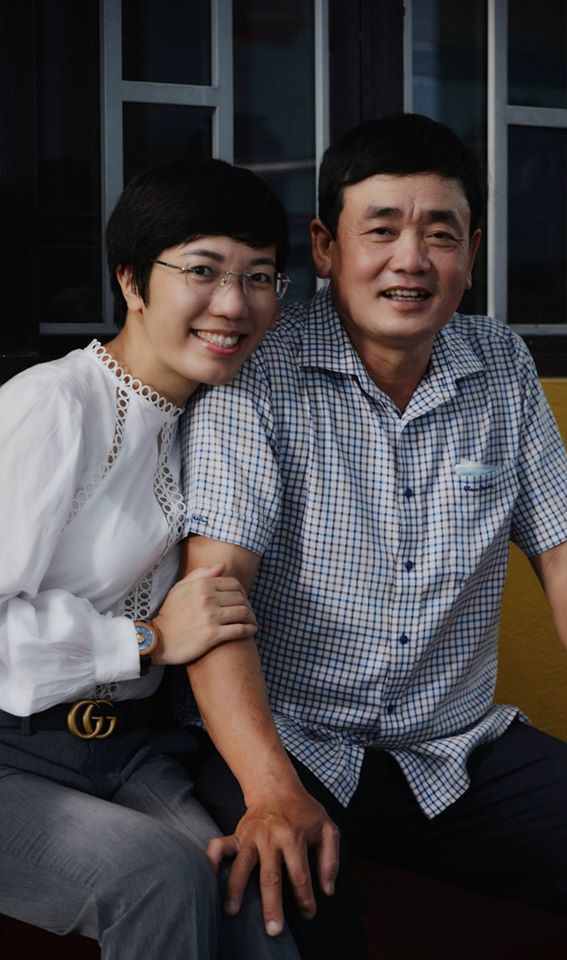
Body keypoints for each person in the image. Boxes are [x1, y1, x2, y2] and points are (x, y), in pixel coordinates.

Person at [179, 114, 567, 958]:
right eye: (382, 229)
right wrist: (270, 789)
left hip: (454, 748)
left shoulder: (501, 365)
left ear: (471, 253)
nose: (411, 260)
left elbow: (566, 560)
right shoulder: (258, 373)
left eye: (441, 234)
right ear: (325, 247)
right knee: (281, 895)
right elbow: (215, 596)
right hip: (292, 740)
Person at [0, 157, 302, 959]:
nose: (233, 304)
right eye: (202, 271)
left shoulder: (204, 421)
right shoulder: (52, 407)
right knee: (160, 877)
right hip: (10, 751)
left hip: (126, 751)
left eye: (259, 277)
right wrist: (148, 639)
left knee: (252, 886)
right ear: (131, 280)